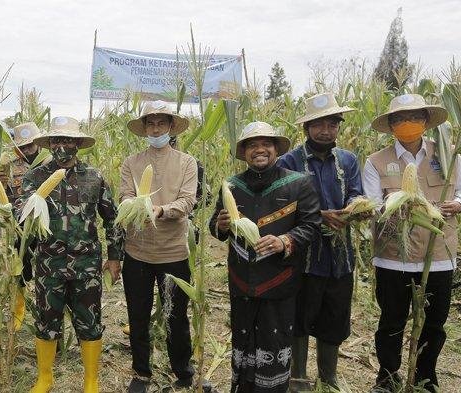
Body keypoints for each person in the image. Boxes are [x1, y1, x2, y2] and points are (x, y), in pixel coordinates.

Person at [363, 93, 461, 392]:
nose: (407, 123)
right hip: (392, 256)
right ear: (390, 125)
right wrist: (395, 207)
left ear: (425, 121)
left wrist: (459, 205)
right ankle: (386, 377)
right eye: (399, 118)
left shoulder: (449, 155)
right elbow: (373, 205)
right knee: (391, 321)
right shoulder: (376, 162)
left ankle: (426, 377)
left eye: (414, 117)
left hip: (438, 255)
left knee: (434, 324)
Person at [209, 121, 321, 393]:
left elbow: (311, 225)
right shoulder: (232, 186)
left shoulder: (298, 184)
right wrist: (221, 226)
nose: (259, 150)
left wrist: (284, 241)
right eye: (252, 145)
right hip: (242, 282)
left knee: (274, 343)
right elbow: (215, 226)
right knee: (243, 342)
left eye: (265, 144)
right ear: (244, 152)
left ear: (276, 149)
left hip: (279, 281)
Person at [21, 116, 123, 393]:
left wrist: (115, 256)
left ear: (78, 144)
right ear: (49, 144)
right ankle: (45, 378)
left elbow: (112, 218)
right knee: (46, 320)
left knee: (90, 321)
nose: (62, 146)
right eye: (56, 140)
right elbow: (22, 218)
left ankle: (91, 381)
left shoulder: (94, 177)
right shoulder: (34, 177)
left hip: (86, 263)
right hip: (48, 262)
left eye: (67, 140)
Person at [120, 101, 215, 393]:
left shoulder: (187, 163)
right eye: (151, 123)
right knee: (138, 314)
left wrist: (159, 211)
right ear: (145, 128)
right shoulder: (130, 163)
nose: (156, 128)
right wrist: (134, 208)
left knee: (176, 315)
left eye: (162, 123)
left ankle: (184, 371)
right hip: (137, 252)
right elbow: (125, 196)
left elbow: (188, 201)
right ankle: (141, 372)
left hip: (174, 251)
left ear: (171, 127)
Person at [277, 92, 363, 391]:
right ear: (307, 128)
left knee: (335, 315)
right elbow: (284, 206)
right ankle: (298, 375)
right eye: (318, 124)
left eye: (332, 124)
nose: (326, 130)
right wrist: (319, 215)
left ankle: (329, 376)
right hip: (304, 255)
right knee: (301, 315)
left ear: (338, 126)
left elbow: (355, 191)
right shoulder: (290, 161)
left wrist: (354, 208)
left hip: (340, 255)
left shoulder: (349, 160)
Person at [0, 122, 51, 329]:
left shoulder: (50, 163)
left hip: (44, 223)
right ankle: (19, 309)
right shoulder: (9, 165)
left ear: (38, 144)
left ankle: (43, 309)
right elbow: (1, 193)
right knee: (20, 267)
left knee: (45, 268)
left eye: (30, 145)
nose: (27, 150)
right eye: (23, 146)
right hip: (19, 225)